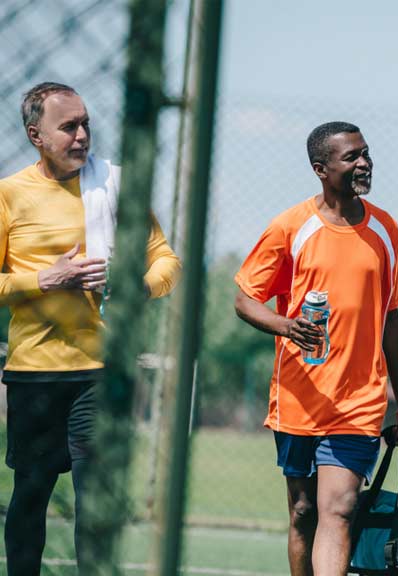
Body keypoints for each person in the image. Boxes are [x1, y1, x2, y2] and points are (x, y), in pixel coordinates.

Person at [0, 82, 181, 574]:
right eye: (68, 127)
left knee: (94, 501)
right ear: (36, 135)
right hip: (35, 373)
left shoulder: (116, 184)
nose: (82, 136)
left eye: (86, 124)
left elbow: (166, 260)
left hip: (102, 372)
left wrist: (139, 286)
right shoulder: (10, 194)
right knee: (30, 497)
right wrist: (45, 278)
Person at [233, 121, 398, 576]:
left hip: (359, 401)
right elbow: (244, 300)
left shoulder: (385, 229)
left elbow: (391, 320)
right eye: (351, 157)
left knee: (339, 508)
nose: (364, 163)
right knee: (303, 512)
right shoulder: (290, 227)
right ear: (321, 168)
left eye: (366, 153)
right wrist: (286, 327)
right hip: (299, 397)